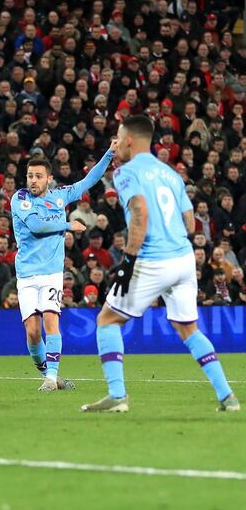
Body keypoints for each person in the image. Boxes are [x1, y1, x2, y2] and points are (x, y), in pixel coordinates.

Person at [82, 115, 239, 413]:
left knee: (107, 320)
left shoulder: (127, 173)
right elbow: (191, 223)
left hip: (153, 259)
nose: (116, 144)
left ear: (129, 140)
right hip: (183, 258)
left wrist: (128, 262)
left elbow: (140, 213)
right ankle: (227, 396)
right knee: (188, 328)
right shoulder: (172, 175)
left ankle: (117, 395)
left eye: (118, 137)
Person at [10, 140, 117, 391]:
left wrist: (110, 152)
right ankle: (50, 375)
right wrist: (68, 225)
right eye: (29, 176)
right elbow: (37, 227)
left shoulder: (60, 196)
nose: (32, 180)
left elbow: (89, 180)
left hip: (51, 273)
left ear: (49, 179)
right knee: (33, 333)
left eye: (38, 176)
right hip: (26, 274)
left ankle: (50, 377)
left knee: (50, 321)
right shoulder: (21, 198)